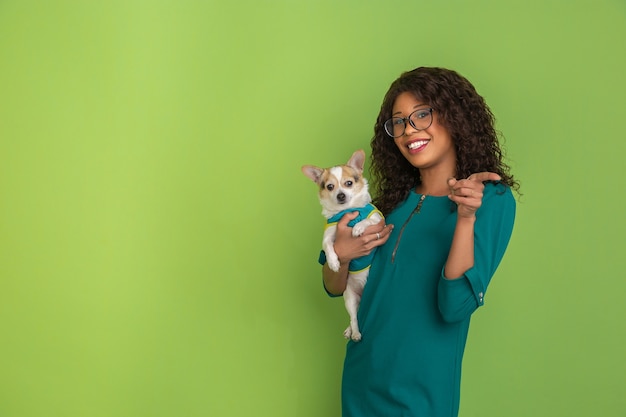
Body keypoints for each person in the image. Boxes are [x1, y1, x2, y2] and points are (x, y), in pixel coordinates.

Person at [320, 67, 519, 417]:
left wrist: (465, 218)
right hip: (362, 381)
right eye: (398, 122)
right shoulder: (385, 206)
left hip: (422, 395)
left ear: (455, 115)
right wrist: (342, 253)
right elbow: (334, 286)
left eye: (422, 114)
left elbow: (454, 306)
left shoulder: (491, 200)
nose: (409, 130)